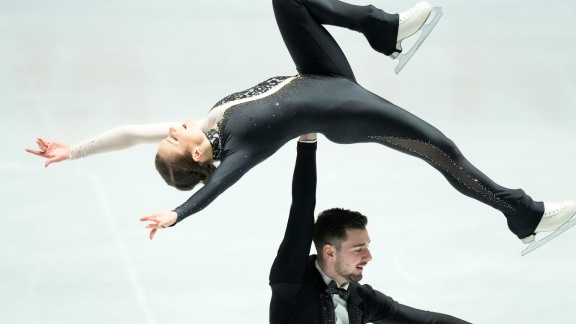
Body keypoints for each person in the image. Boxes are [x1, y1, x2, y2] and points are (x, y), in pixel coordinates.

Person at [26, 0, 576, 247]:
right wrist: (178, 212)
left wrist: (72, 151)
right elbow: (219, 187)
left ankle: (385, 29)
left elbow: (129, 131)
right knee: (441, 149)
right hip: (344, 110)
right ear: (197, 155)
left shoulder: (209, 123)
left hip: (321, 73)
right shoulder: (240, 147)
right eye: (175, 140)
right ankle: (525, 216)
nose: (171, 129)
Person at [269, 133, 470, 323]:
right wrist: (307, 144)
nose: (369, 256)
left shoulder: (360, 299)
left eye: (366, 246)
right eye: (358, 249)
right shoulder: (292, 281)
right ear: (329, 252)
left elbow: (425, 321)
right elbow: (302, 208)